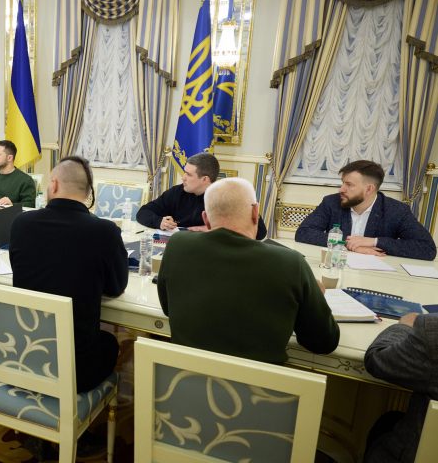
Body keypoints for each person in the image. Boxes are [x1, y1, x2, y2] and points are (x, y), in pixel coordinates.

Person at [9, 156, 127, 459]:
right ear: (88, 194)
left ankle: (39, 427)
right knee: (111, 342)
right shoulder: (104, 231)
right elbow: (116, 287)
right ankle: (77, 428)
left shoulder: (21, 224)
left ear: (53, 185)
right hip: (76, 368)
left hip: (19, 354)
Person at [158, 177, 340, 364]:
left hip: (185, 376)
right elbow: (323, 343)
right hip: (259, 382)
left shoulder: (177, 245)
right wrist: (315, 295)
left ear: (206, 219)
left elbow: (168, 308)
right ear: (255, 212)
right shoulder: (291, 263)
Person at [295, 160, 436, 260]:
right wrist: (348, 244)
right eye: (342, 183)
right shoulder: (331, 202)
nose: (341, 189)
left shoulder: (396, 211)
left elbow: (427, 249)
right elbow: (304, 232)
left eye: (349, 184)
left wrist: (374, 242)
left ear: (369, 189)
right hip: (335, 266)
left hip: (375, 275)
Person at [136, 153, 267, 239]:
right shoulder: (177, 192)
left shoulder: (227, 195)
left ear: (205, 179)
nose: (183, 177)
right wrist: (159, 222)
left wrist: (214, 229)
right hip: (180, 248)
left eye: (188, 174)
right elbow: (143, 212)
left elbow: (260, 232)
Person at [363, 313, 438, 463]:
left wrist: (404, 326)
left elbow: (377, 359)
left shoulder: (431, 330)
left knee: (385, 424)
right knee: (390, 419)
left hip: (415, 454)